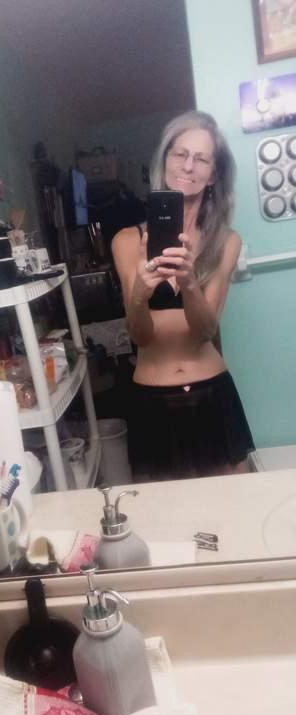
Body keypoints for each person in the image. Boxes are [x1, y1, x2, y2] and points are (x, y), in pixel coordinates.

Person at [112, 111, 255, 481]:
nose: (189, 166)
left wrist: (189, 282)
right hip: (151, 401)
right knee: (163, 514)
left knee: (235, 508)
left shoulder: (226, 241)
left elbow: (206, 330)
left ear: (214, 175)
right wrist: (140, 293)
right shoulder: (127, 241)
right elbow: (140, 336)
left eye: (202, 159)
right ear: (165, 160)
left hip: (213, 395)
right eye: (180, 154)